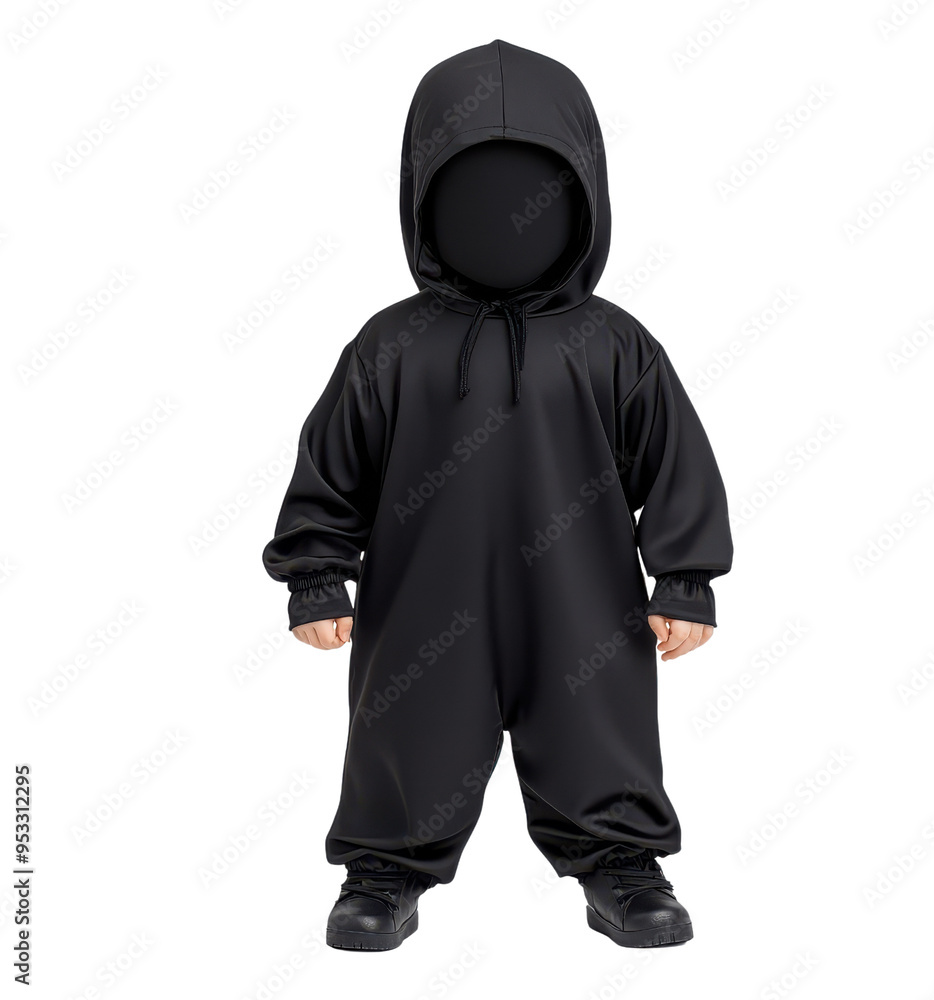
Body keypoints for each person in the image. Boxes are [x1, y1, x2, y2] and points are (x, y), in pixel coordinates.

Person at [262, 38, 734, 951]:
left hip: (583, 600)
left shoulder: (613, 343)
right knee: (409, 727)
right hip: (423, 601)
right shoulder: (392, 346)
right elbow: (333, 463)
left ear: (582, 195)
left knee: (599, 728)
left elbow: (674, 458)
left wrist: (685, 576)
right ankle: (384, 870)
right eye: (471, 190)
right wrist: (315, 572)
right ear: (423, 197)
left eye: (536, 189)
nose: (504, 214)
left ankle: (620, 863)